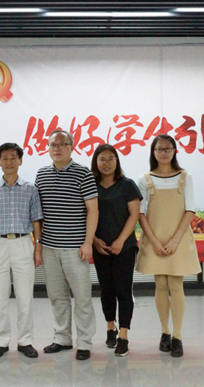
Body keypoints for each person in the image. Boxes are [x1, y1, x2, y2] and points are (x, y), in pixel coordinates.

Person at [35, 129, 98, 361]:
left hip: (75, 248)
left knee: (82, 297)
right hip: (50, 247)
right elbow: (38, 213)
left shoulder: (83, 174)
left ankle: (84, 342)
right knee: (57, 296)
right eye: (53, 144)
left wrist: (88, 243)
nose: (57, 148)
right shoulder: (41, 174)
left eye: (62, 144)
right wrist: (39, 244)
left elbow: (93, 210)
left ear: (72, 147)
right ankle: (62, 338)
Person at [136, 134, 201, 358]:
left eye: (167, 148)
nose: (163, 153)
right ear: (153, 152)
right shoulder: (145, 179)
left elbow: (190, 210)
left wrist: (174, 240)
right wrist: (154, 241)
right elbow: (140, 213)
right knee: (161, 285)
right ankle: (164, 332)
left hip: (178, 238)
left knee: (176, 284)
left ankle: (178, 336)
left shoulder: (185, 177)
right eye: (159, 149)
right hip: (155, 238)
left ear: (174, 151)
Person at [0, 142, 43, 359]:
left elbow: (36, 220)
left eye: (13, 157)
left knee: (25, 296)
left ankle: (25, 341)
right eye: (4, 158)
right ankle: (1, 341)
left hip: (23, 243)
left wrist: (37, 247)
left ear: (20, 161)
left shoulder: (30, 189)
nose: (9, 162)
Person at [90, 144, 141, 357]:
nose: (107, 163)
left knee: (123, 290)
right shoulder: (90, 185)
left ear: (117, 161)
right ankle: (110, 327)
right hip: (100, 247)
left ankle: (123, 335)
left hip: (125, 248)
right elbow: (84, 214)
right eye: (102, 159)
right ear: (96, 162)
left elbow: (134, 214)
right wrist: (94, 240)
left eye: (111, 158)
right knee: (107, 290)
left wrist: (120, 241)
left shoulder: (127, 185)